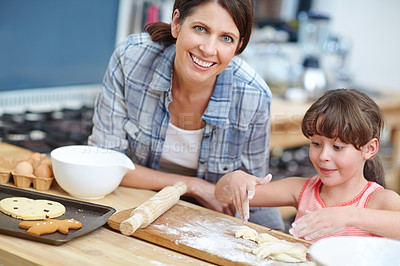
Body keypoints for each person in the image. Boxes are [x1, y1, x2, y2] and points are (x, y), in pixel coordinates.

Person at [88, 0, 284, 230]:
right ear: (176, 23)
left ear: (239, 46)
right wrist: (192, 185)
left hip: (210, 218)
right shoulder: (132, 59)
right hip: (135, 203)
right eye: (200, 29)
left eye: (226, 38)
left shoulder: (253, 95)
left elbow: (252, 195)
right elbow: (105, 163)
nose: (209, 49)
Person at [215, 89, 400, 242]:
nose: (323, 156)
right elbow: (222, 195)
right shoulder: (302, 190)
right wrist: (234, 178)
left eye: (337, 147)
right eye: (316, 144)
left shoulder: (378, 200)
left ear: (370, 148)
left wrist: (349, 216)